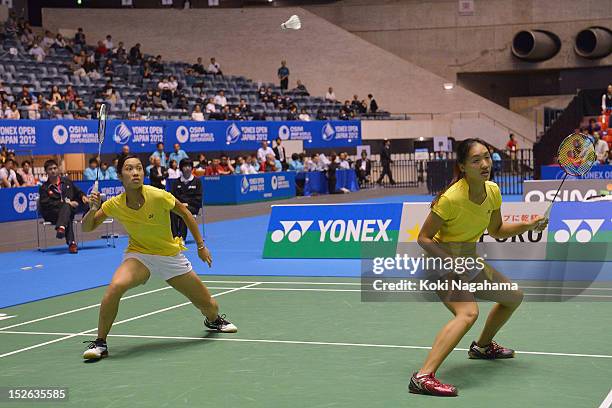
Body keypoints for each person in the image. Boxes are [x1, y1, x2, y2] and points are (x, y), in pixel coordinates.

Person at [409, 139, 547, 397]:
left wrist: (529, 224)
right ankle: (422, 377)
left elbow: (496, 230)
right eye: (476, 160)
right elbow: (423, 238)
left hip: (466, 258)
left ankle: (482, 347)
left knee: (513, 296)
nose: (485, 164)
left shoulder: (492, 191)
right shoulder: (451, 199)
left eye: (487, 157)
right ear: (462, 166)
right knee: (468, 312)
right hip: (438, 262)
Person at [81, 154, 236, 360]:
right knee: (115, 286)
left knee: (210, 306)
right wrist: (92, 210)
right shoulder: (114, 204)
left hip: (170, 256)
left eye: (138, 168)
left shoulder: (158, 195)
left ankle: (213, 320)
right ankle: (100, 343)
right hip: (140, 256)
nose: (135, 172)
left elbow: (186, 214)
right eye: (129, 169)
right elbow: (87, 227)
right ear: (120, 176)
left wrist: (201, 246)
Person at [39, 160, 89, 254]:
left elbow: (77, 191)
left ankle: (62, 228)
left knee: (67, 213)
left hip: (66, 212)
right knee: (67, 213)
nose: (53, 171)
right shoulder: (44, 188)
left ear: (58, 169)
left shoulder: (67, 182)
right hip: (53, 214)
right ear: (46, 172)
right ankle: (71, 243)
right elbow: (46, 204)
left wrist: (83, 196)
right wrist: (67, 203)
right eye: (50, 169)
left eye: (54, 168)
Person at [170, 158, 202, 241]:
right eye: (185, 166)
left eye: (189, 166)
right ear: (181, 168)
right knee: (172, 211)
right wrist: (180, 204)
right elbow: (172, 196)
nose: (187, 168)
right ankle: (175, 237)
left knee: (184, 211)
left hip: (192, 206)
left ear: (192, 168)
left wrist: (187, 203)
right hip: (179, 206)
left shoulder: (197, 181)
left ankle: (182, 238)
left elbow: (199, 198)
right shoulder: (176, 182)